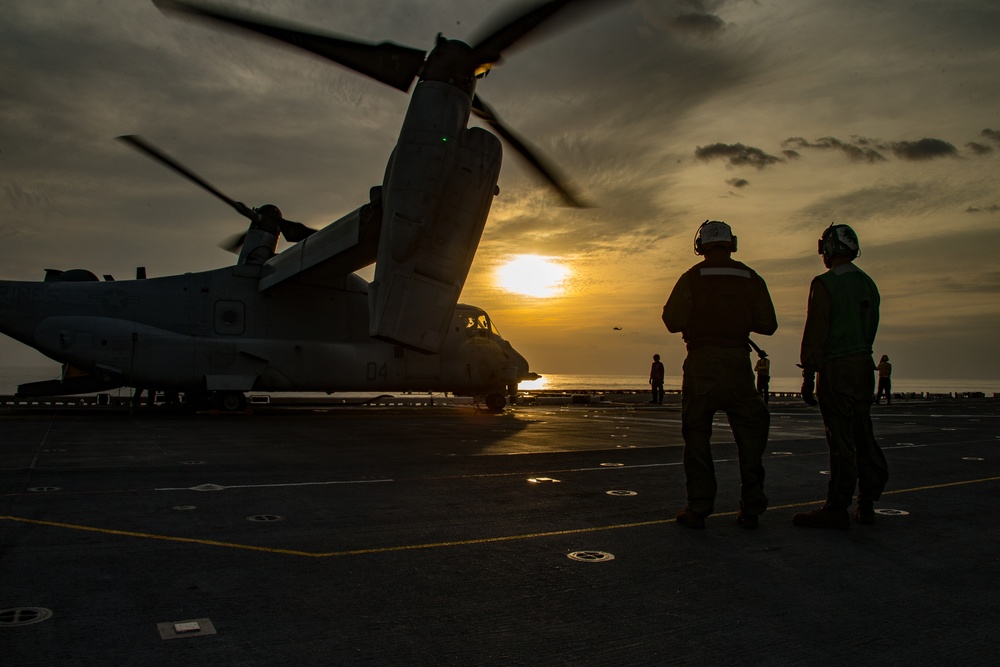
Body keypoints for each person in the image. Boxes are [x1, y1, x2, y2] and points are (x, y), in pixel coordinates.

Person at [662, 220, 777, 529]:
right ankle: (751, 506)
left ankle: (698, 507)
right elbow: (768, 324)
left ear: (700, 246)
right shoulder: (751, 278)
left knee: (697, 436)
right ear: (731, 243)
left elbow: (672, 320)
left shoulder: (692, 278)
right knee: (751, 436)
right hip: (739, 364)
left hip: (702, 364)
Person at [794, 223, 889, 529]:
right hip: (864, 366)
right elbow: (870, 327)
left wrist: (809, 374)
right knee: (864, 434)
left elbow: (816, 331)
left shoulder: (825, 283)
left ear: (830, 248)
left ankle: (837, 506)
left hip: (837, 367)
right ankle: (867, 502)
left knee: (841, 440)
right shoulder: (868, 283)